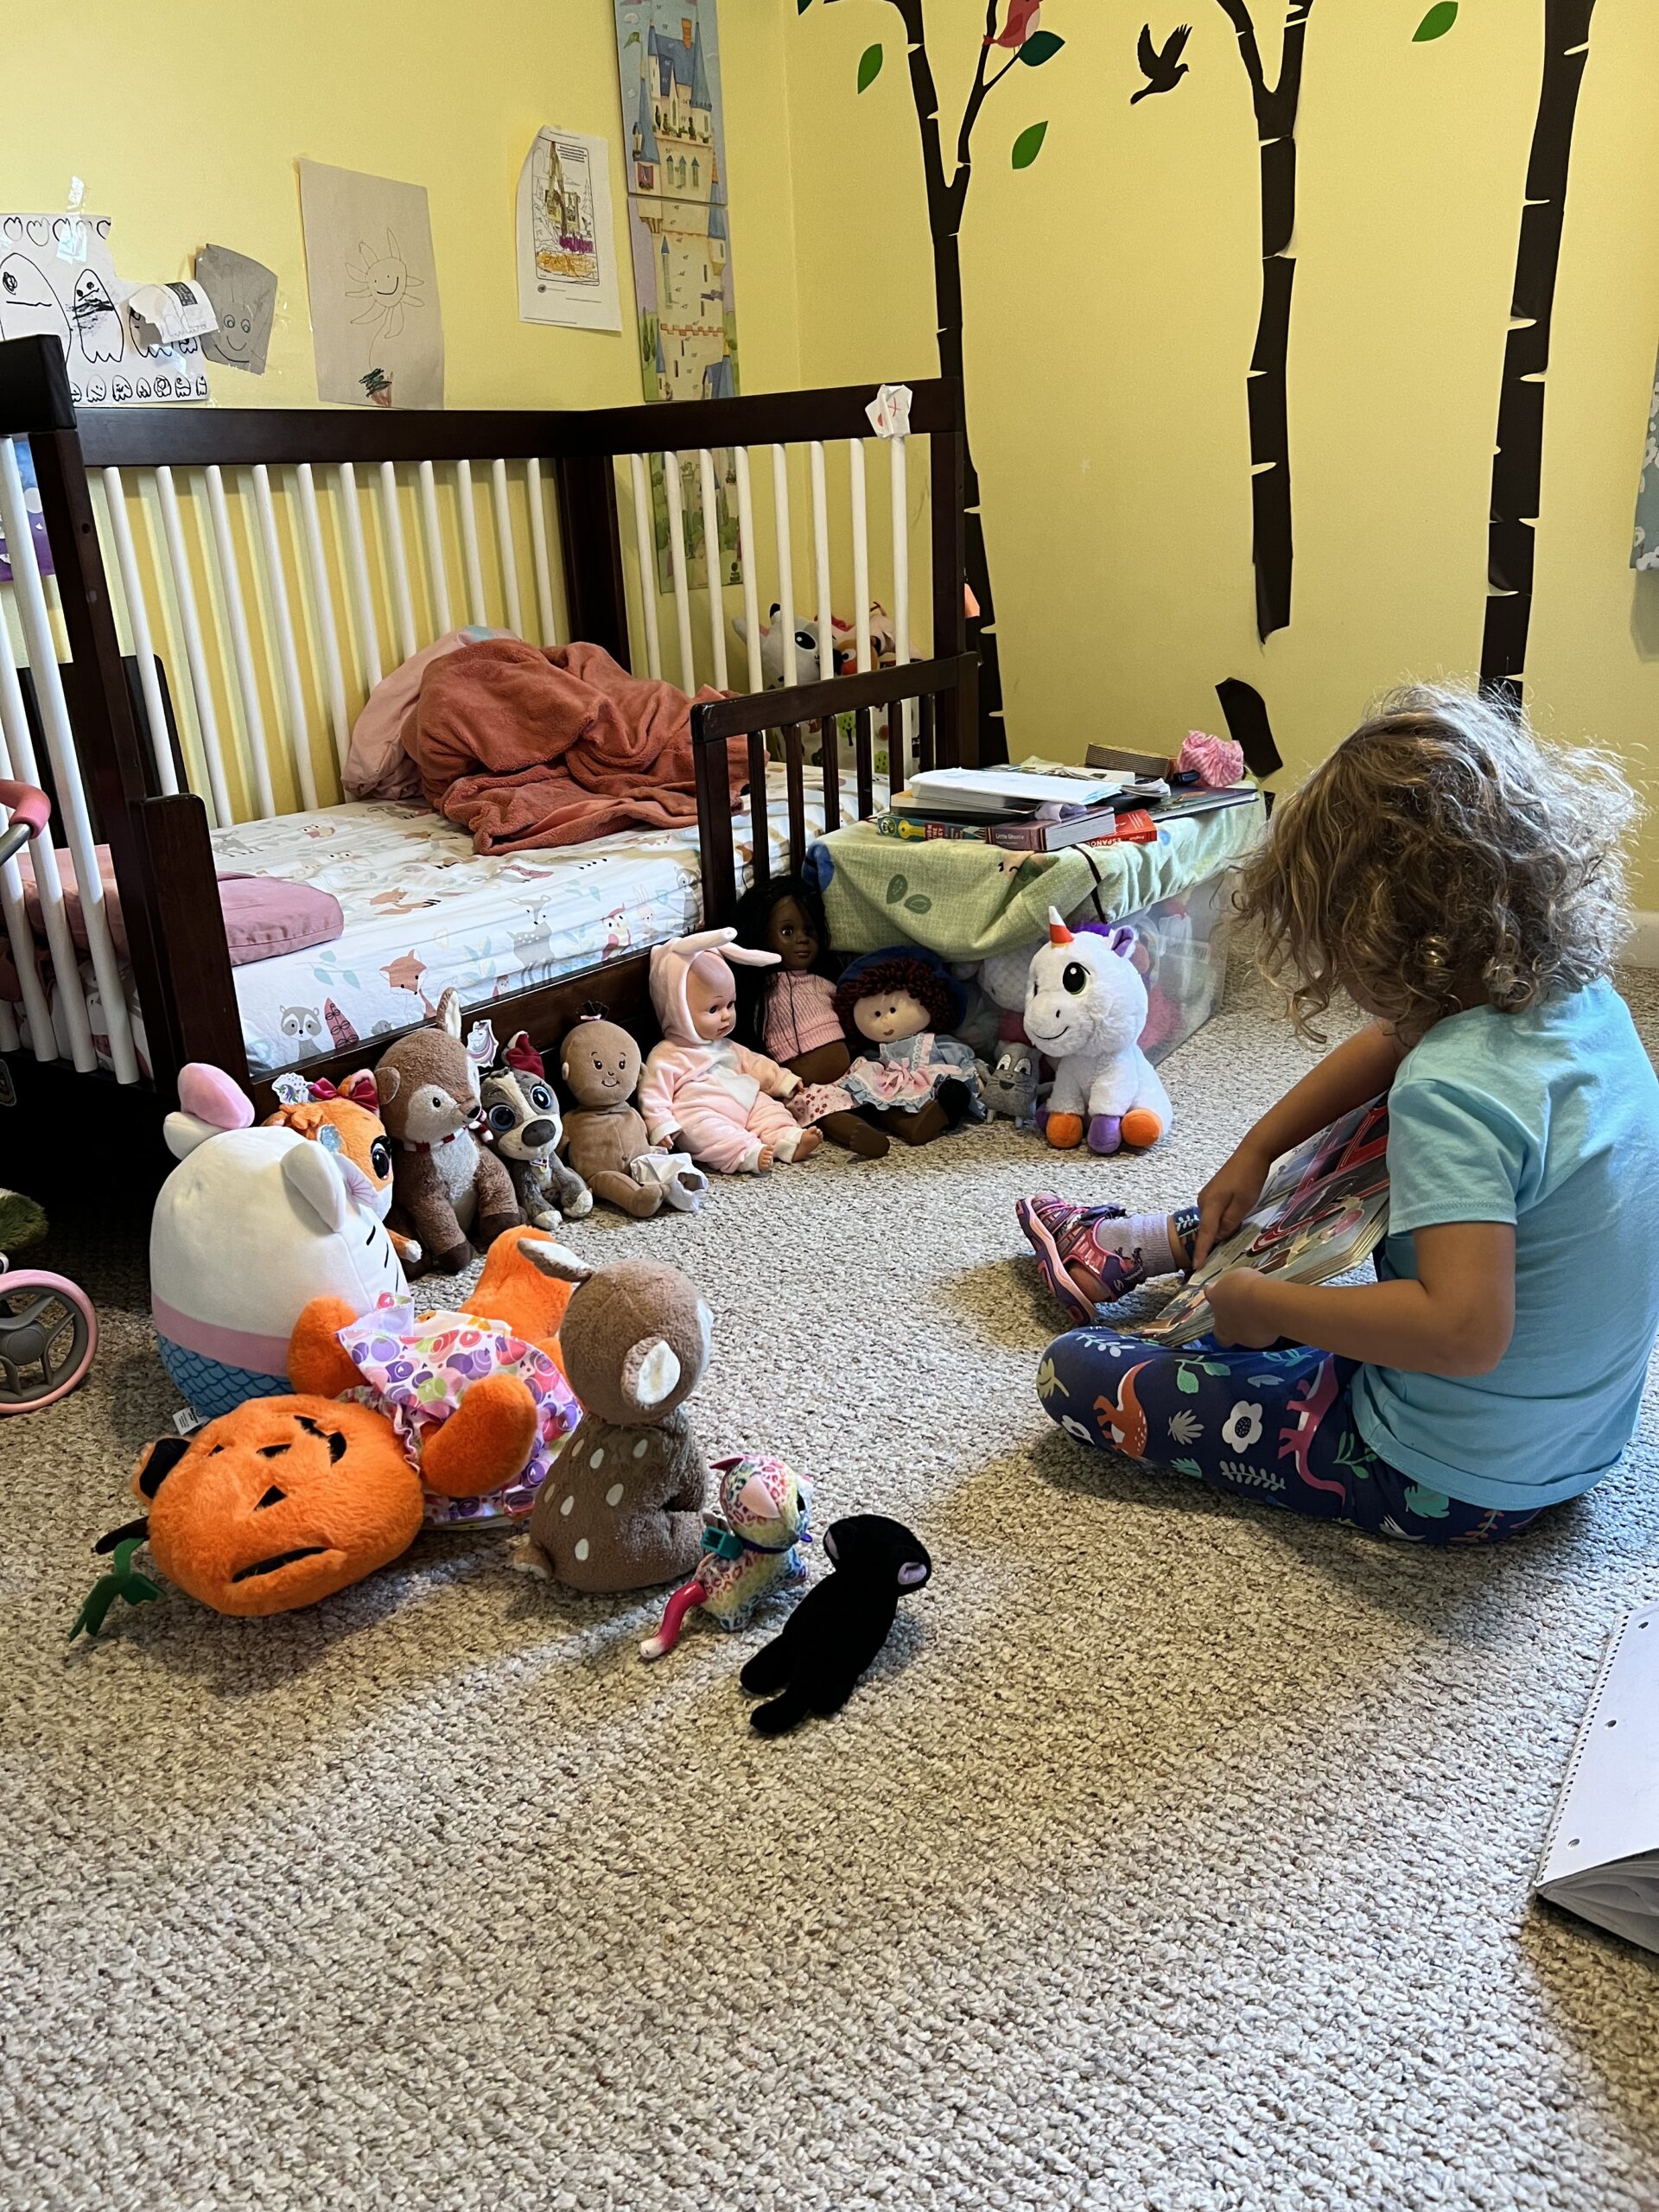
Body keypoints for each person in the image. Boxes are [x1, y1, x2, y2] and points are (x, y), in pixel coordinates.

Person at [1023, 685, 1659, 1545]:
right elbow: (1396, 1042)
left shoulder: (1453, 1088)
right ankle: (1163, 1242)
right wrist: (1255, 1147)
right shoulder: (1579, 1000)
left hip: (1446, 1476)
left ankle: (1173, 1260)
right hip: (1574, 1445)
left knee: (1076, 1373)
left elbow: (1464, 1331)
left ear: (1375, 930)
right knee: (1374, 1131)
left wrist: (1272, 1302)